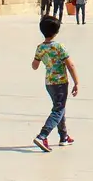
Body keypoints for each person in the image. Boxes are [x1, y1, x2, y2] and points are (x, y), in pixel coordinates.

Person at [32, 15, 78, 152]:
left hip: (49, 83)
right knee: (58, 109)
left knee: (59, 107)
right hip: (61, 82)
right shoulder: (59, 47)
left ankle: (63, 136)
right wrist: (77, 82)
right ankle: (42, 135)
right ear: (56, 31)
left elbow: (34, 65)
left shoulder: (40, 48)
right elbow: (71, 65)